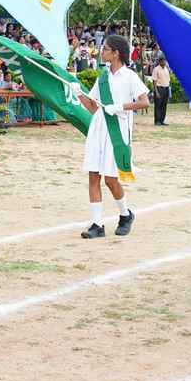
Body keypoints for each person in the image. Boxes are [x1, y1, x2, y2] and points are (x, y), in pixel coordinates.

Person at [76, 34, 149, 239]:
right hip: (98, 129)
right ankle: (97, 225)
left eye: (106, 49)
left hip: (117, 130)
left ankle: (125, 215)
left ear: (116, 53)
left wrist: (119, 107)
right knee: (93, 175)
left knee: (110, 179)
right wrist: (78, 93)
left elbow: (144, 102)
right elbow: (93, 108)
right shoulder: (102, 77)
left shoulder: (130, 76)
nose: (102, 51)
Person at [150, 53, 171, 126]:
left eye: (165, 61)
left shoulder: (166, 69)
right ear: (159, 62)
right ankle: (157, 121)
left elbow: (168, 80)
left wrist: (168, 90)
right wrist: (156, 92)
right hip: (159, 89)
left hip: (166, 88)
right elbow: (154, 81)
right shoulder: (156, 69)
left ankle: (162, 120)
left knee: (164, 105)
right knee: (158, 105)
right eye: (162, 61)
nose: (164, 62)